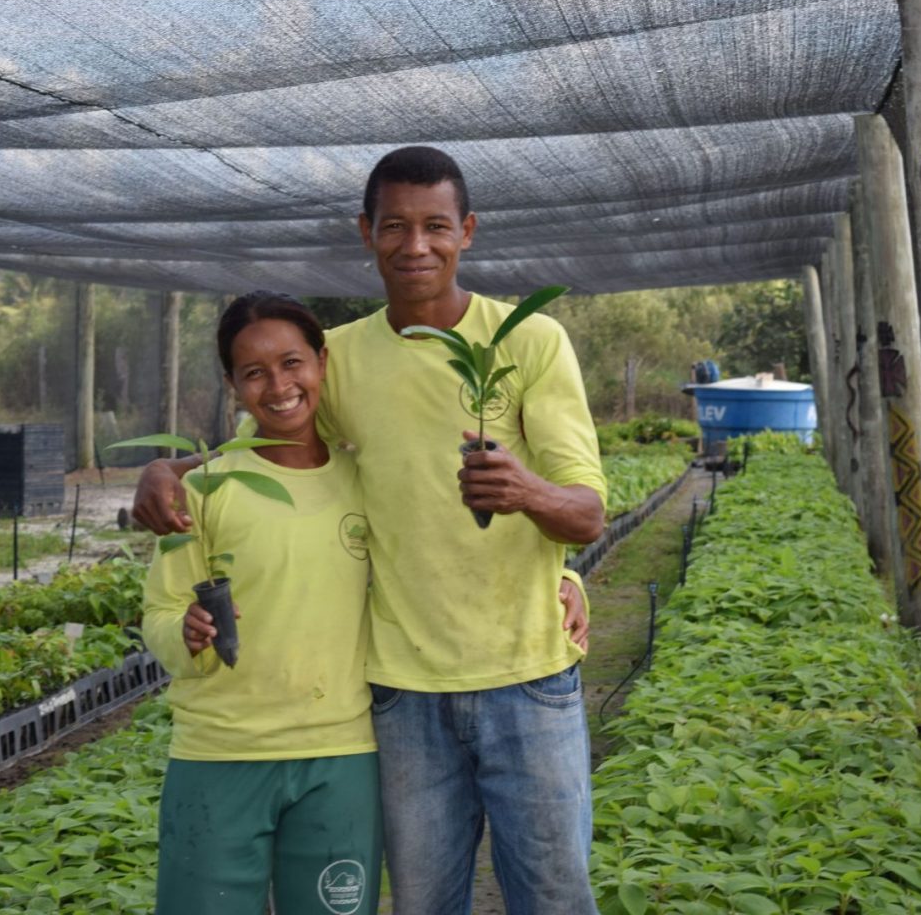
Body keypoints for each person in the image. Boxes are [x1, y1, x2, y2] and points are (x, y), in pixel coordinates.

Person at [134, 145, 607, 914]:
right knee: (423, 902)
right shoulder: (340, 357)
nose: (415, 245)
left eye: (436, 226)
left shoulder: (528, 341)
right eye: (395, 226)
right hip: (401, 692)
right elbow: (267, 441)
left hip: (528, 674)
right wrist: (165, 470)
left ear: (467, 231)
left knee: (554, 896)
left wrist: (529, 498)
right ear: (367, 232)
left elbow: (586, 511)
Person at [141, 292, 382, 915]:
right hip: (221, 752)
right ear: (232, 385)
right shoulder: (203, 489)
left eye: (292, 363)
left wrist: (561, 579)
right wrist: (184, 632)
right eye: (254, 372)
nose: (279, 387)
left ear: (322, 362)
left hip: (341, 753)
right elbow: (161, 610)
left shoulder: (366, 479)